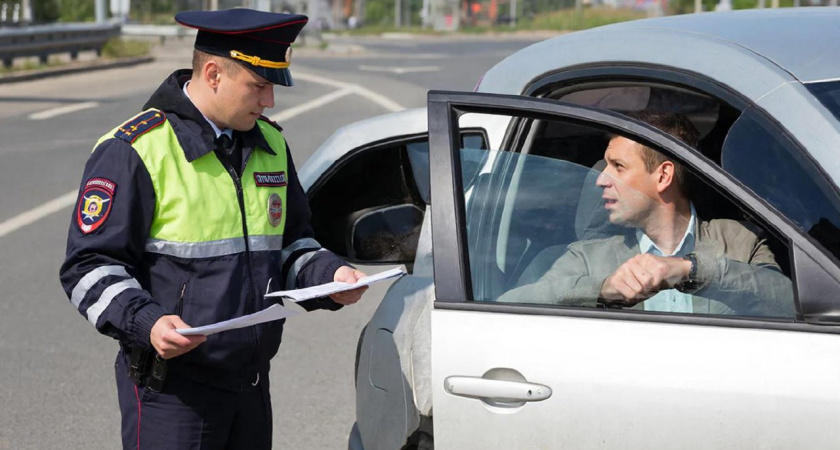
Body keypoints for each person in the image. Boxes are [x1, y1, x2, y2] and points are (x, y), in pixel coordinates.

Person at [59, 9, 367, 450]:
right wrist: (146, 322)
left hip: (251, 386)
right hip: (173, 395)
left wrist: (329, 278)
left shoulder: (271, 143)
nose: (269, 102)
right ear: (213, 74)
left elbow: (291, 246)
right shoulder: (136, 149)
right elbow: (88, 267)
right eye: (259, 86)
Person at [499, 111, 794, 317]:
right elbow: (507, 308)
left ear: (663, 176)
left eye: (618, 167)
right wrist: (601, 290)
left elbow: (790, 305)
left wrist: (692, 270)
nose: (601, 179)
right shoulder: (588, 258)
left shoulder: (740, 240)